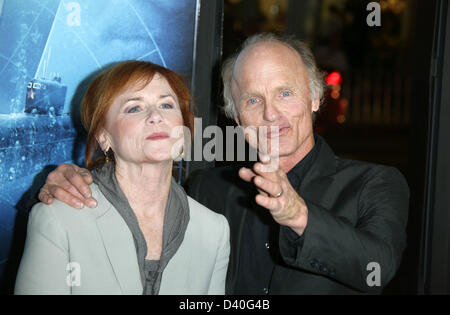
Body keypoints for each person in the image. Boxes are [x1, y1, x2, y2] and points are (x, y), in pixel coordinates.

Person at [38, 34, 409, 295]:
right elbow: (136, 196)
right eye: (252, 100)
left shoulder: (374, 183)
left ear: (314, 98)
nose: (270, 113)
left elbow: (376, 269)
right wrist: (72, 179)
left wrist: (297, 214)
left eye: (285, 93)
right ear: (234, 116)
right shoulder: (208, 190)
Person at [15, 60, 230, 295]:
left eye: (167, 105)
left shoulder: (213, 230)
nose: (156, 116)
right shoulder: (58, 219)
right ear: (105, 137)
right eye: (134, 108)